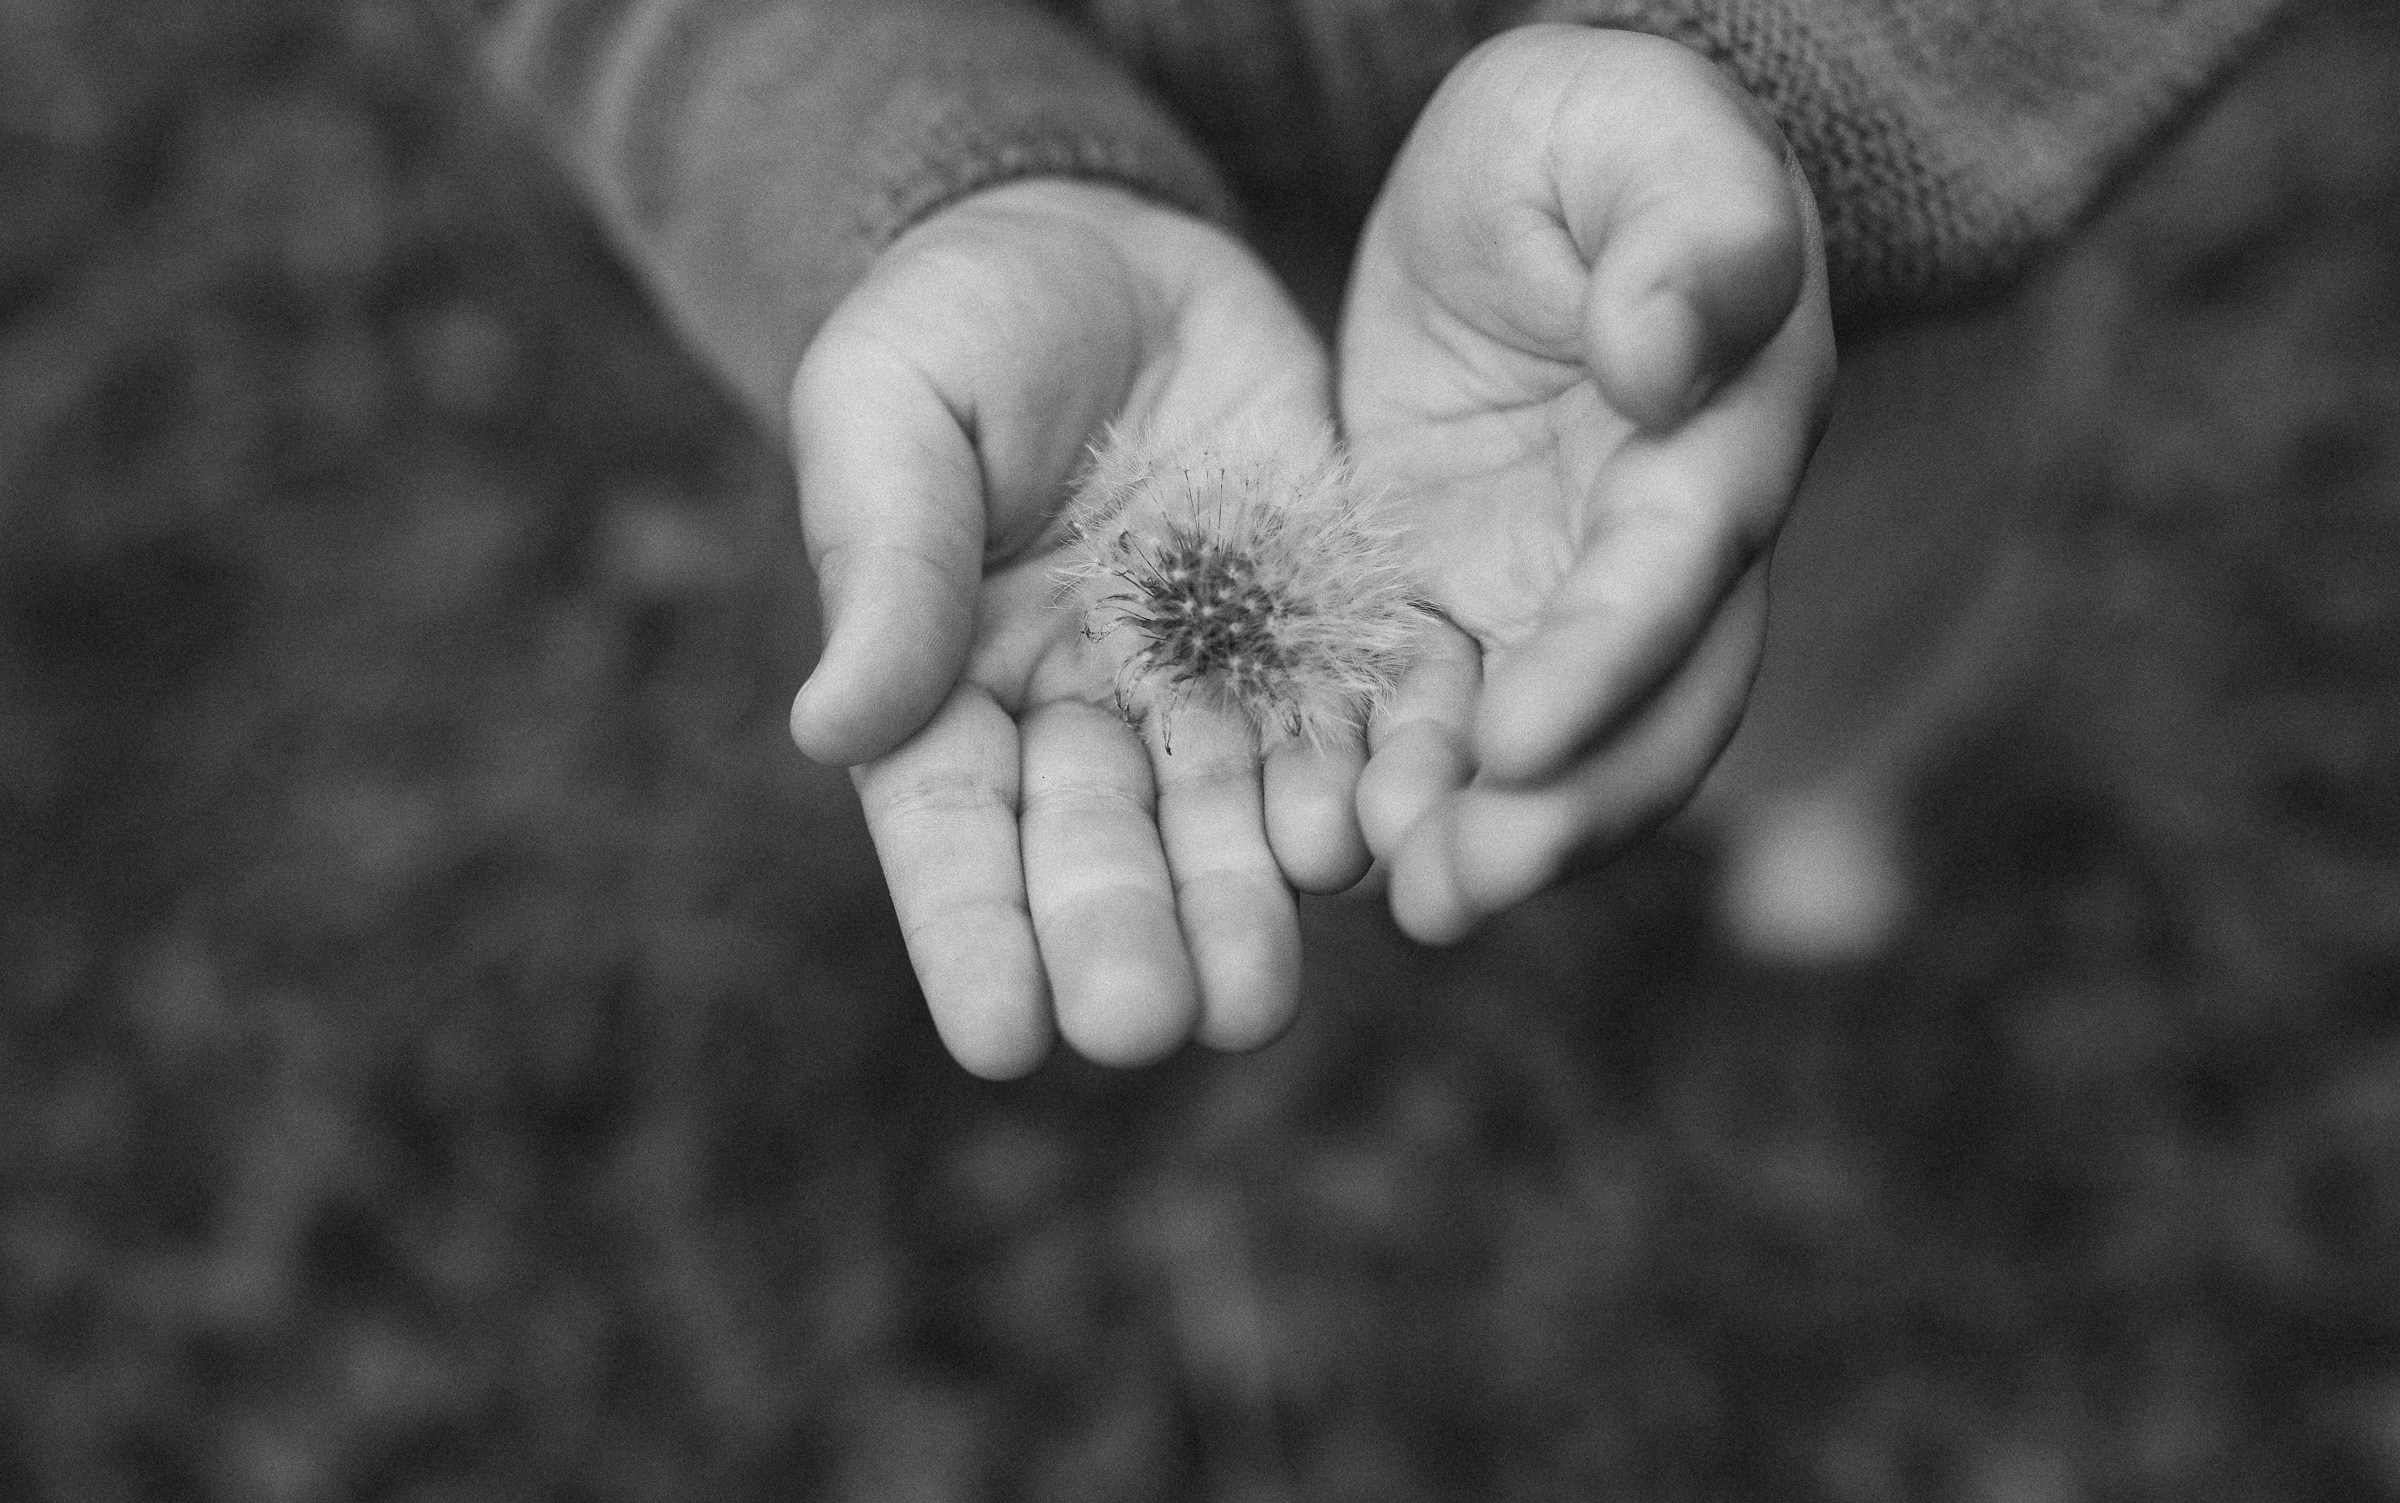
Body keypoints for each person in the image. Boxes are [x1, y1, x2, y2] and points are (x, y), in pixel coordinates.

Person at [432, 0, 2292, 1077]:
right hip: (1133, 266)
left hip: (1770, 274)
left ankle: (1831, 773)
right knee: (1575, 638)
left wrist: (1801, 85)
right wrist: (934, 155)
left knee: (1827, 596)